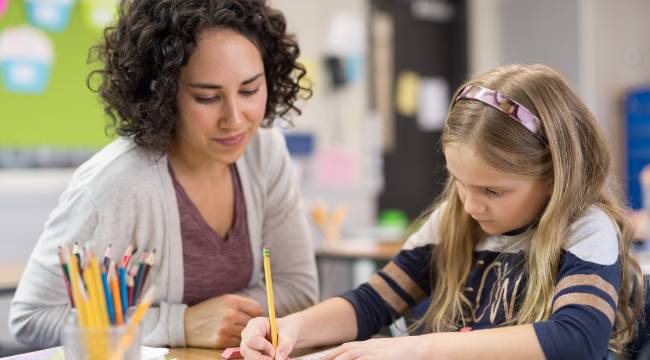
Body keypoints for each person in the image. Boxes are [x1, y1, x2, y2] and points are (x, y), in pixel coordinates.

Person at [240, 64, 645, 360]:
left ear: (557, 175)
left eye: (493, 190)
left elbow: (577, 341)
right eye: (459, 182)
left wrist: (422, 347)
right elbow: (371, 304)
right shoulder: (455, 221)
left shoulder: (585, 228)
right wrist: (289, 328)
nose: (470, 205)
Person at [9, 0, 318, 349]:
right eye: (207, 97)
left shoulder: (265, 151)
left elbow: (298, 289)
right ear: (163, 93)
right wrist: (179, 324)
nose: (235, 118)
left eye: (249, 90)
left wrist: (231, 322)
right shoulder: (115, 184)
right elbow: (31, 317)